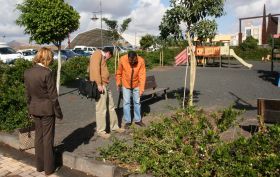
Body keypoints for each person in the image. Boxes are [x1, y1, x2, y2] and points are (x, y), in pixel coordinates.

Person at [24, 47, 63, 176]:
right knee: (47, 138)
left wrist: (29, 109)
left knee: (38, 137)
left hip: (35, 109)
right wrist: (58, 112)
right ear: (47, 58)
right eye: (50, 58)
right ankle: (49, 168)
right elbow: (53, 96)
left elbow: (27, 94)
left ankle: (39, 166)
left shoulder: (28, 72)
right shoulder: (47, 73)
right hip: (47, 110)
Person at [89, 47, 124, 139]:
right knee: (101, 109)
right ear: (108, 53)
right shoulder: (97, 54)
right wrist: (98, 84)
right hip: (101, 85)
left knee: (111, 106)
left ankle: (114, 126)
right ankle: (101, 131)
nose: (108, 59)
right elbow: (94, 69)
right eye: (110, 57)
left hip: (105, 85)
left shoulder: (101, 56)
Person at [116, 51, 146, 128]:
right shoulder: (122, 59)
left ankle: (138, 120)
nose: (132, 63)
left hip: (137, 85)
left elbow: (142, 76)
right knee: (126, 103)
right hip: (126, 84)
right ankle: (128, 121)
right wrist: (118, 83)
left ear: (136, 57)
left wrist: (141, 89)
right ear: (128, 58)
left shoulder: (141, 60)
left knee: (137, 102)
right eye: (130, 61)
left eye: (134, 61)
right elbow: (119, 72)